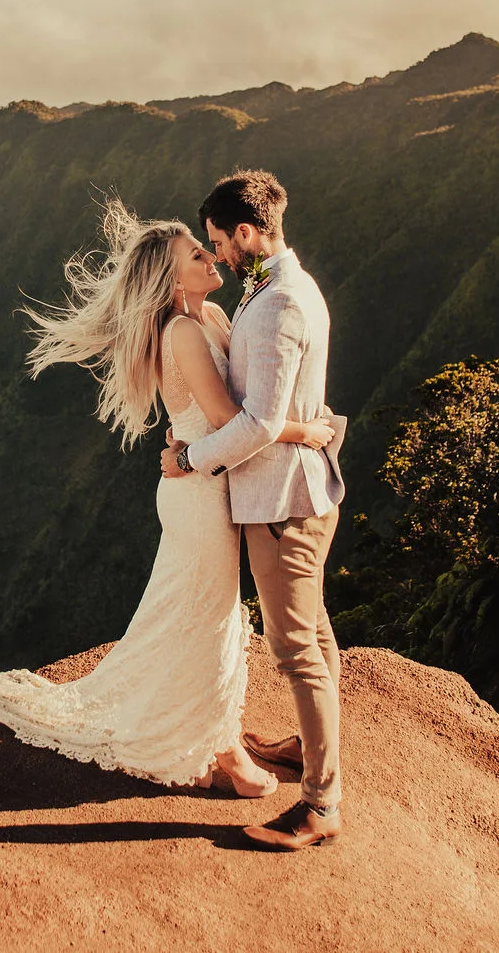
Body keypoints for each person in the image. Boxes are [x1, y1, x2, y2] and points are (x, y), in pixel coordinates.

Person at [0, 198, 334, 799]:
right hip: (197, 495)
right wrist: (304, 432)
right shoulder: (184, 331)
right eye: (196, 253)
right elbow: (228, 417)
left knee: (207, 611)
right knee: (208, 616)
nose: (211, 256)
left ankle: (219, 730)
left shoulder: (212, 316)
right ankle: (225, 752)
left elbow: (250, 390)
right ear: (170, 275)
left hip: (210, 482)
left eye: (208, 246)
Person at [162, 169, 347, 852]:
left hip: (282, 500)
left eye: (219, 240)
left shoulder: (276, 305)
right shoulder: (277, 288)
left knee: (296, 646)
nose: (218, 254)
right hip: (294, 490)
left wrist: (190, 458)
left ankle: (322, 804)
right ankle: (310, 746)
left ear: (247, 232)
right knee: (315, 630)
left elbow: (261, 423)